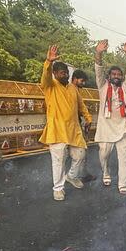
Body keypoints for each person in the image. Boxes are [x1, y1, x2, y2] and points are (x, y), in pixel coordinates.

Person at [39, 46, 93, 201]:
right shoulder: (50, 86)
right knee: (59, 161)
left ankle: (71, 176)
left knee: (80, 154)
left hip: (74, 129)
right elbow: (45, 76)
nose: (65, 75)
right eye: (62, 73)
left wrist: (88, 118)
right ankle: (58, 188)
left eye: (67, 73)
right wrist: (48, 61)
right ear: (55, 74)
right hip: (57, 130)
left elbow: (81, 105)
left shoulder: (73, 88)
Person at [93, 39, 126, 195]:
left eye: (119, 74)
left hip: (123, 130)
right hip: (106, 129)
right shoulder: (103, 87)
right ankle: (106, 171)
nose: (117, 76)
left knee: (124, 158)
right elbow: (98, 70)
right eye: (114, 74)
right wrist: (98, 52)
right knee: (103, 154)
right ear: (109, 76)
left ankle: (122, 184)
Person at [70, 69, 95, 183]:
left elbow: (81, 108)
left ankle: (81, 174)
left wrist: (88, 119)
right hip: (68, 126)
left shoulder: (77, 91)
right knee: (78, 151)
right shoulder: (68, 90)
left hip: (76, 124)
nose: (83, 83)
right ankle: (69, 178)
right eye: (82, 80)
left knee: (82, 150)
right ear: (74, 79)